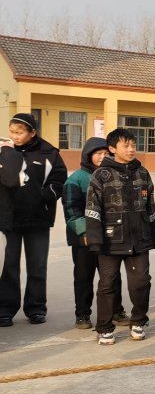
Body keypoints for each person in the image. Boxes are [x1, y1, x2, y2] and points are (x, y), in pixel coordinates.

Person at [85, 129, 155, 345]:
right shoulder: (101, 174)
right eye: (126, 145)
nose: (131, 149)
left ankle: (138, 322)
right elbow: (92, 207)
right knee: (108, 284)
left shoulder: (142, 173)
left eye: (133, 145)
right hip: (110, 240)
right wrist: (95, 238)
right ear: (112, 148)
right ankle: (104, 328)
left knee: (141, 282)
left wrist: (152, 235)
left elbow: (150, 206)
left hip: (139, 240)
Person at [0, 113, 68, 327]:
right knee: (9, 265)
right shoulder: (4, 150)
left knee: (37, 266)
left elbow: (59, 179)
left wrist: (43, 196)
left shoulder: (49, 152)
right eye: (12, 132)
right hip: (9, 219)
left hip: (38, 218)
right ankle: (5, 310)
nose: (15, 136)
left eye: (19, 132)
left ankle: (36, 308)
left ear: (32, 133)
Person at [63, 137, 127, 329]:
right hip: (84, 239)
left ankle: (116, 311)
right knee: (84, 277)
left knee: (112, 276)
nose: (102, 157)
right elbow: (72, 210)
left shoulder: (113, 176)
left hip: (109, 236)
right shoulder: (76, 180)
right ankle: (83, 314)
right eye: (98, 153)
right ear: (87, 155)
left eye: (106, 153)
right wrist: (85, 232)